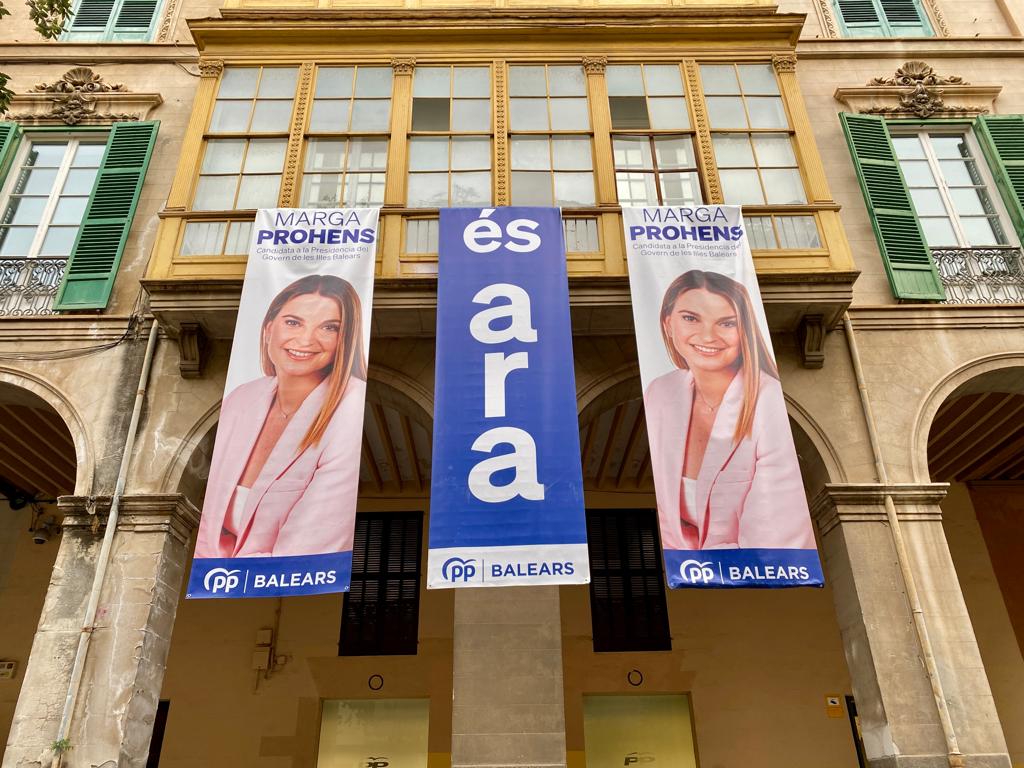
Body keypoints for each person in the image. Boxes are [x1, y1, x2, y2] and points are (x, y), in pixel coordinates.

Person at [195, 274, 367, 559]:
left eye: (329, 327)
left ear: (344, 340)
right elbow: (208, 529)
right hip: (219, 576)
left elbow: (308, 547)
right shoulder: (241, 399)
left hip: (281, 579)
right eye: (293, 322)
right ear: (268, 329)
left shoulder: (350, 406)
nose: (305, 339)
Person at [643, 269, 814, 551]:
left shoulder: (767, 401)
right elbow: (670, 525)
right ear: (668, 324)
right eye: (690, 318)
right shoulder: (660, 392)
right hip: (687, 569)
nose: (708, 336)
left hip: (750, 569)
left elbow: (774, 536)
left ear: (744, 330)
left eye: (726, 323)